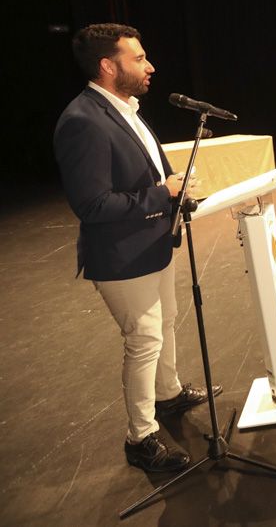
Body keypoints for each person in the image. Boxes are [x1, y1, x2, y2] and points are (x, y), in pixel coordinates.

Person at [53, 24, 219, 473]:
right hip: (122, 256)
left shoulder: (127, 110)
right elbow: (92, 204)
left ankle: (168, 395)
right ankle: (140, 438)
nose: (150, 65)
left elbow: (146, 172)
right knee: (144, 339)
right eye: (139, 58)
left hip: (152, 244)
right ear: (109, 66)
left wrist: (176, 194)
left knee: (165, 322)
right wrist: (162, 194)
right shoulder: (83, 121)